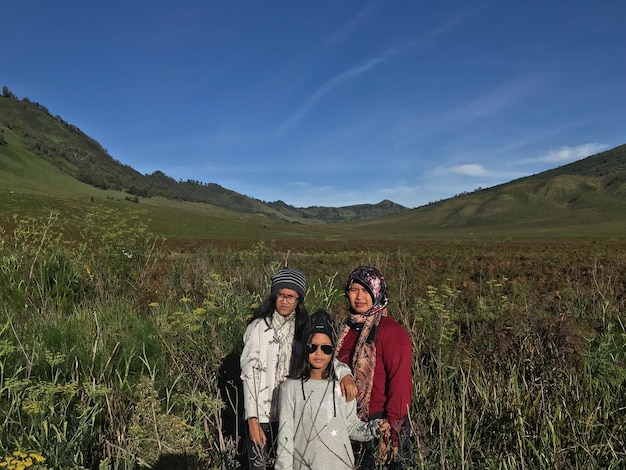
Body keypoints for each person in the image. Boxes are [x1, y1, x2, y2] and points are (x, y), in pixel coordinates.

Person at [240, 267, 357, 469]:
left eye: (291, 296)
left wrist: (344, 373)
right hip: (262, 417)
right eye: (281, 295)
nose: (285, 301)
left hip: (292, 417)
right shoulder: (258, 328)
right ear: (273, 296)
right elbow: (249, 374)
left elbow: (323, 355)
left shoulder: (303, 329)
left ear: (298, 300)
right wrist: (252, 419)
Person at [275, 309, 389, 470]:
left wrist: (375, 427)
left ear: (333, 351)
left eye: (326, 348)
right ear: (305, 347)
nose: (319, 353)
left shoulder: (342, 386)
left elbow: (351, 426)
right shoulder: (289, 389)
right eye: (312, 347)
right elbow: (285, 439)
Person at [336, 266, 413, 469]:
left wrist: (391, 433)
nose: (359, 296)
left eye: (366, 290)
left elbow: (400, 387)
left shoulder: (391, 332)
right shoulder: (345, 330)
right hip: (347, 422)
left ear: (377, 292)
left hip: (380, 424)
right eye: (354, 290)